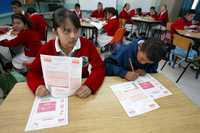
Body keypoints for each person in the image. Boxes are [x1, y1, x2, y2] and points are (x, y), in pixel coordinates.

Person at [26, 8, 105, 98]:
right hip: (54, 94)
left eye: (76, 30)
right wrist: (37, 86)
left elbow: (99, 68)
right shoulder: (47, 49)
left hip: (79, 94)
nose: (73, 36)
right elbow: (33, 72)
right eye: (67, 31)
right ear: (56, 32)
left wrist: (89, 85)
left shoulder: (87, 45)